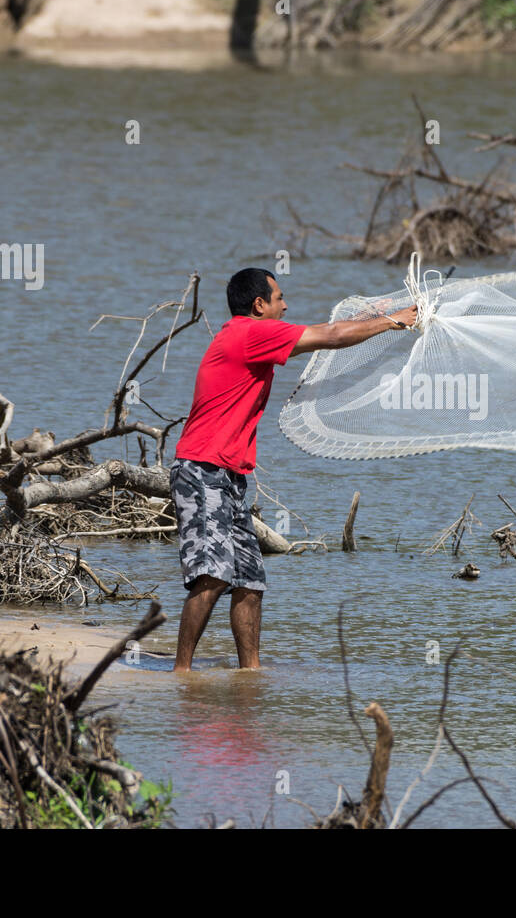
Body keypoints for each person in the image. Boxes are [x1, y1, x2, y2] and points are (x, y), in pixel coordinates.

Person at [169, 268, 418, 671]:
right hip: (201, 470)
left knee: (249, 580)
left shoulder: (248, 335)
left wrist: (384, 315)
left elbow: (327, 331)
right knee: (212, 575)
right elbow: (333, 336)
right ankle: (180, 673)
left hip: (227, 477)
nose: (285, 306)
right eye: (280, 297)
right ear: (259, 305)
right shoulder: (251, 333)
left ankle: (251, 674)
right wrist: (393, 322)